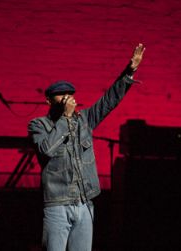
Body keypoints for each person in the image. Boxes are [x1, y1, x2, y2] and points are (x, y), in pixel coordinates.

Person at [28, 43, 145, 251]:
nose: (66, 97)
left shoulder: (84, 120)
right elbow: (46, 149)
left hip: (84, 204)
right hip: (57, 204)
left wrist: (130, 71)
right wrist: (65, 118)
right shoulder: (39, 125)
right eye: (61, 94)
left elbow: (109, 100)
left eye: (69, 93)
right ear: (49, 100)